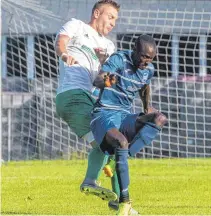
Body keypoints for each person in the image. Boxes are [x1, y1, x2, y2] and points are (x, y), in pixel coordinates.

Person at [91, 34, 168, 215]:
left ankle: (119, 159)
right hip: (103, 114)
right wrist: (108, 80)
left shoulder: (149, 70)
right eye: (143, 56)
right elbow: (97, 80)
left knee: (160, 119)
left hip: (123, 117)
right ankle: (124, 202)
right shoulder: (119, 59)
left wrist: (147, 106)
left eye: (150, 58)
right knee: (122, 143)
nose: (146, 61)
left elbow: (145, 86)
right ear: (135, 51)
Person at [54, 0, 121, 203]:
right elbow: (60, 42)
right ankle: (96, 185)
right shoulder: (77, 26)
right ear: (97, 13)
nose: (113, 23)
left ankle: (118, 200)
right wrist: (65, 55)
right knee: (110, 144)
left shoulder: (109, 46)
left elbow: (106, 82)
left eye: (115, 20)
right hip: (73, 95)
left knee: (115, 146)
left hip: (91, 100)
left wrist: (104, 65)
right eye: (110, 17)